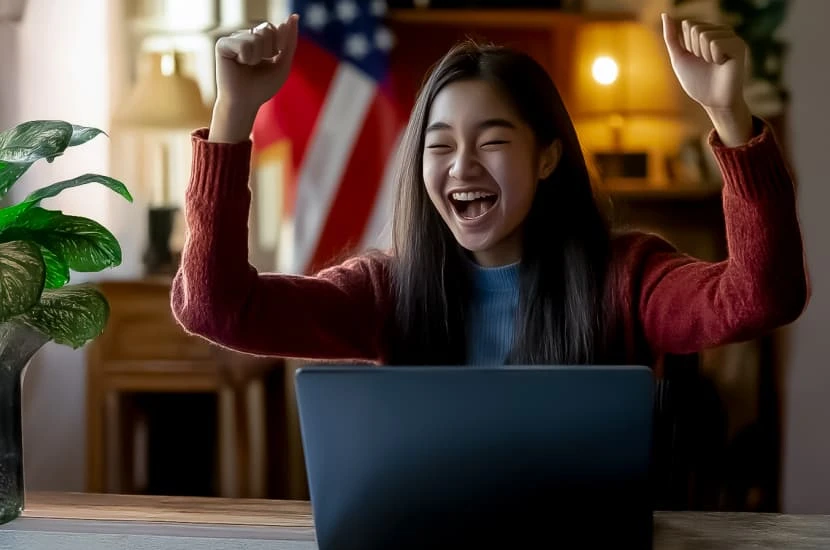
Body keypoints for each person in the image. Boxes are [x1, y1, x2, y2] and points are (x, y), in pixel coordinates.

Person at [171, 13, 808, 369]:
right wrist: (234, 116)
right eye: (440, 146)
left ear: (548, 156)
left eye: (493, 141)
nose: (462, 167)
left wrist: (730, 117)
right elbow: (214, 308)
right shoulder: (386, 291)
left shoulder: (627, 277)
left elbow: (762, 296)